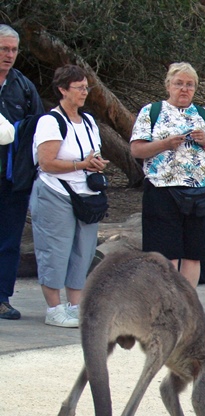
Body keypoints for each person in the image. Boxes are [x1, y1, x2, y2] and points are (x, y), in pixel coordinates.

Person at [129, 62, 205, 288]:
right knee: (165, 254)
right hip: (163, 191)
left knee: (194, 253)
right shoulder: (151, 111)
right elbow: (136, 150)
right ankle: (166, 302)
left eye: (189, 85)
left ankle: (187, 304)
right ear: (168, 86)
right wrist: (164, 144)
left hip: (200, 192)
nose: (184, 89)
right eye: (179, 83)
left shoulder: (204, 114)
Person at [29, 64, 109, 328]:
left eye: (87, 87)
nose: (85, 92)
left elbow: (91, 156)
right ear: (63, 90)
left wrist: (95, 164)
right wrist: (81, 164)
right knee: (55, 250)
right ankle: (54, 308)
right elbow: (47, 162)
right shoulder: (50, 122)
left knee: (82, 251)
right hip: (55, 193)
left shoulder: (88, 122)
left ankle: (76, 306)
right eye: (79, 88)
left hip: (85, 195)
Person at [0, 24, 44, 321]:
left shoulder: (23, 86)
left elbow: (38, 129)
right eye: (4, 48)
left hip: (12, 179)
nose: (9, 55)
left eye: (14, 50)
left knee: (9, 240)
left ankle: (2, 298)